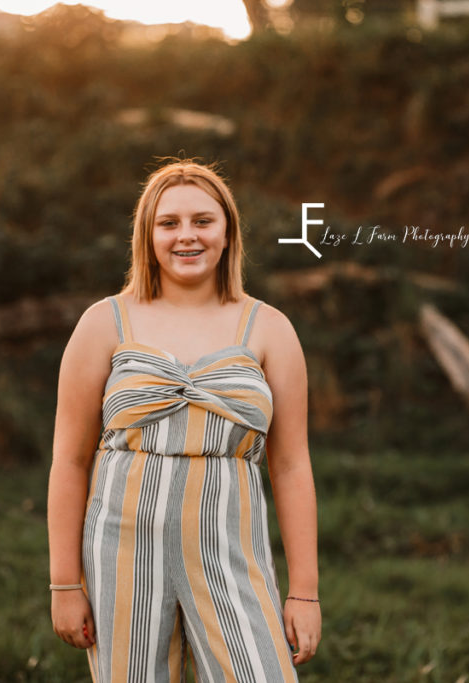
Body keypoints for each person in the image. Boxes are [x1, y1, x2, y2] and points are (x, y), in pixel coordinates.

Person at [47, 159, 321, 682]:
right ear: (147, 235)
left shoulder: (269, 328)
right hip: (120, 547)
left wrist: (304, 592)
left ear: (227, 231)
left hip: (229, 547)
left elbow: (290, 466)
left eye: (202, 221)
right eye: (168, 223)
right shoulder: (104, 322)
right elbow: (69, 459)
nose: (186, 236)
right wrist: (64, 583)